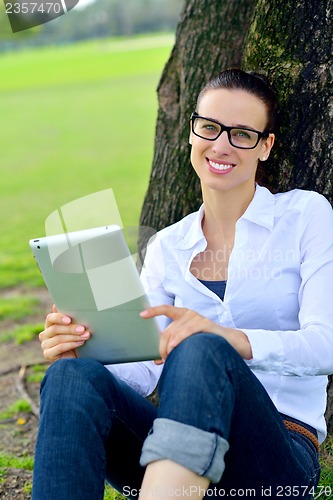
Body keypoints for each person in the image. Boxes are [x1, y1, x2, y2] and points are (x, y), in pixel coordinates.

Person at [32, 69, 333, 500]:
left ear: (265, 147)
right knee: (72, 375)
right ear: (192, 132)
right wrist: (86, 345)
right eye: (209, 127)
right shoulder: (167, 246)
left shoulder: (305, 216)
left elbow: (327, 345)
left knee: (203, 348)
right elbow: (141, 368)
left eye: (242, 134)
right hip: (174, 446)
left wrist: (228, 338)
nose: (221, 144)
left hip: (276, 454)